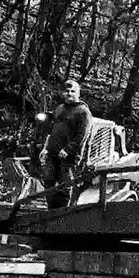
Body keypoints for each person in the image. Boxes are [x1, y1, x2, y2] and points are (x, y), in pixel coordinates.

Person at [42, 80, 93, 209]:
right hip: (53, 153)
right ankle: (51, 211)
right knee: (49, 181)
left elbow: (82, 136)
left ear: (78, 93)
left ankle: (63, 213)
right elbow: (52, 130)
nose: (69, 94)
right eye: (67, 91)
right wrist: (45, 148)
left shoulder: (83, 112)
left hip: (68, 156)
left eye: (73, 91)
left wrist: (68, 150)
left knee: (66, 185)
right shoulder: (60, 109)